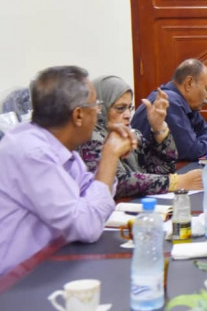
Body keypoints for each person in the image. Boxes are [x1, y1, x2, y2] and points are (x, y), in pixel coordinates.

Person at [0, 66, 136, 276]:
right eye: (96, 105)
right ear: (78, 115)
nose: (98, 111)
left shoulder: (61, 147)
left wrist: (109, 155)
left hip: (53, 263)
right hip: (17, 281)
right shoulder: (31, 152)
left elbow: (91, 198)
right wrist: (109, 156)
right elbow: (86, 226)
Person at [78, 76, 202, 198]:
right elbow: (116, 183)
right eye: (120, 108)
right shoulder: (89, 139)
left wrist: (159, 128)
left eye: (129, 108)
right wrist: (176, 182)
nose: (127, 115)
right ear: (99, 108)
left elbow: (162, 170)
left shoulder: (133, 135)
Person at [131, 59, 207, 161]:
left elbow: (206, 134)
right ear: (189, 83)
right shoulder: (169, 101)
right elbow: (190, 150)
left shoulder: (185, 102)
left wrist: (204, 145)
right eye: (206, 89)